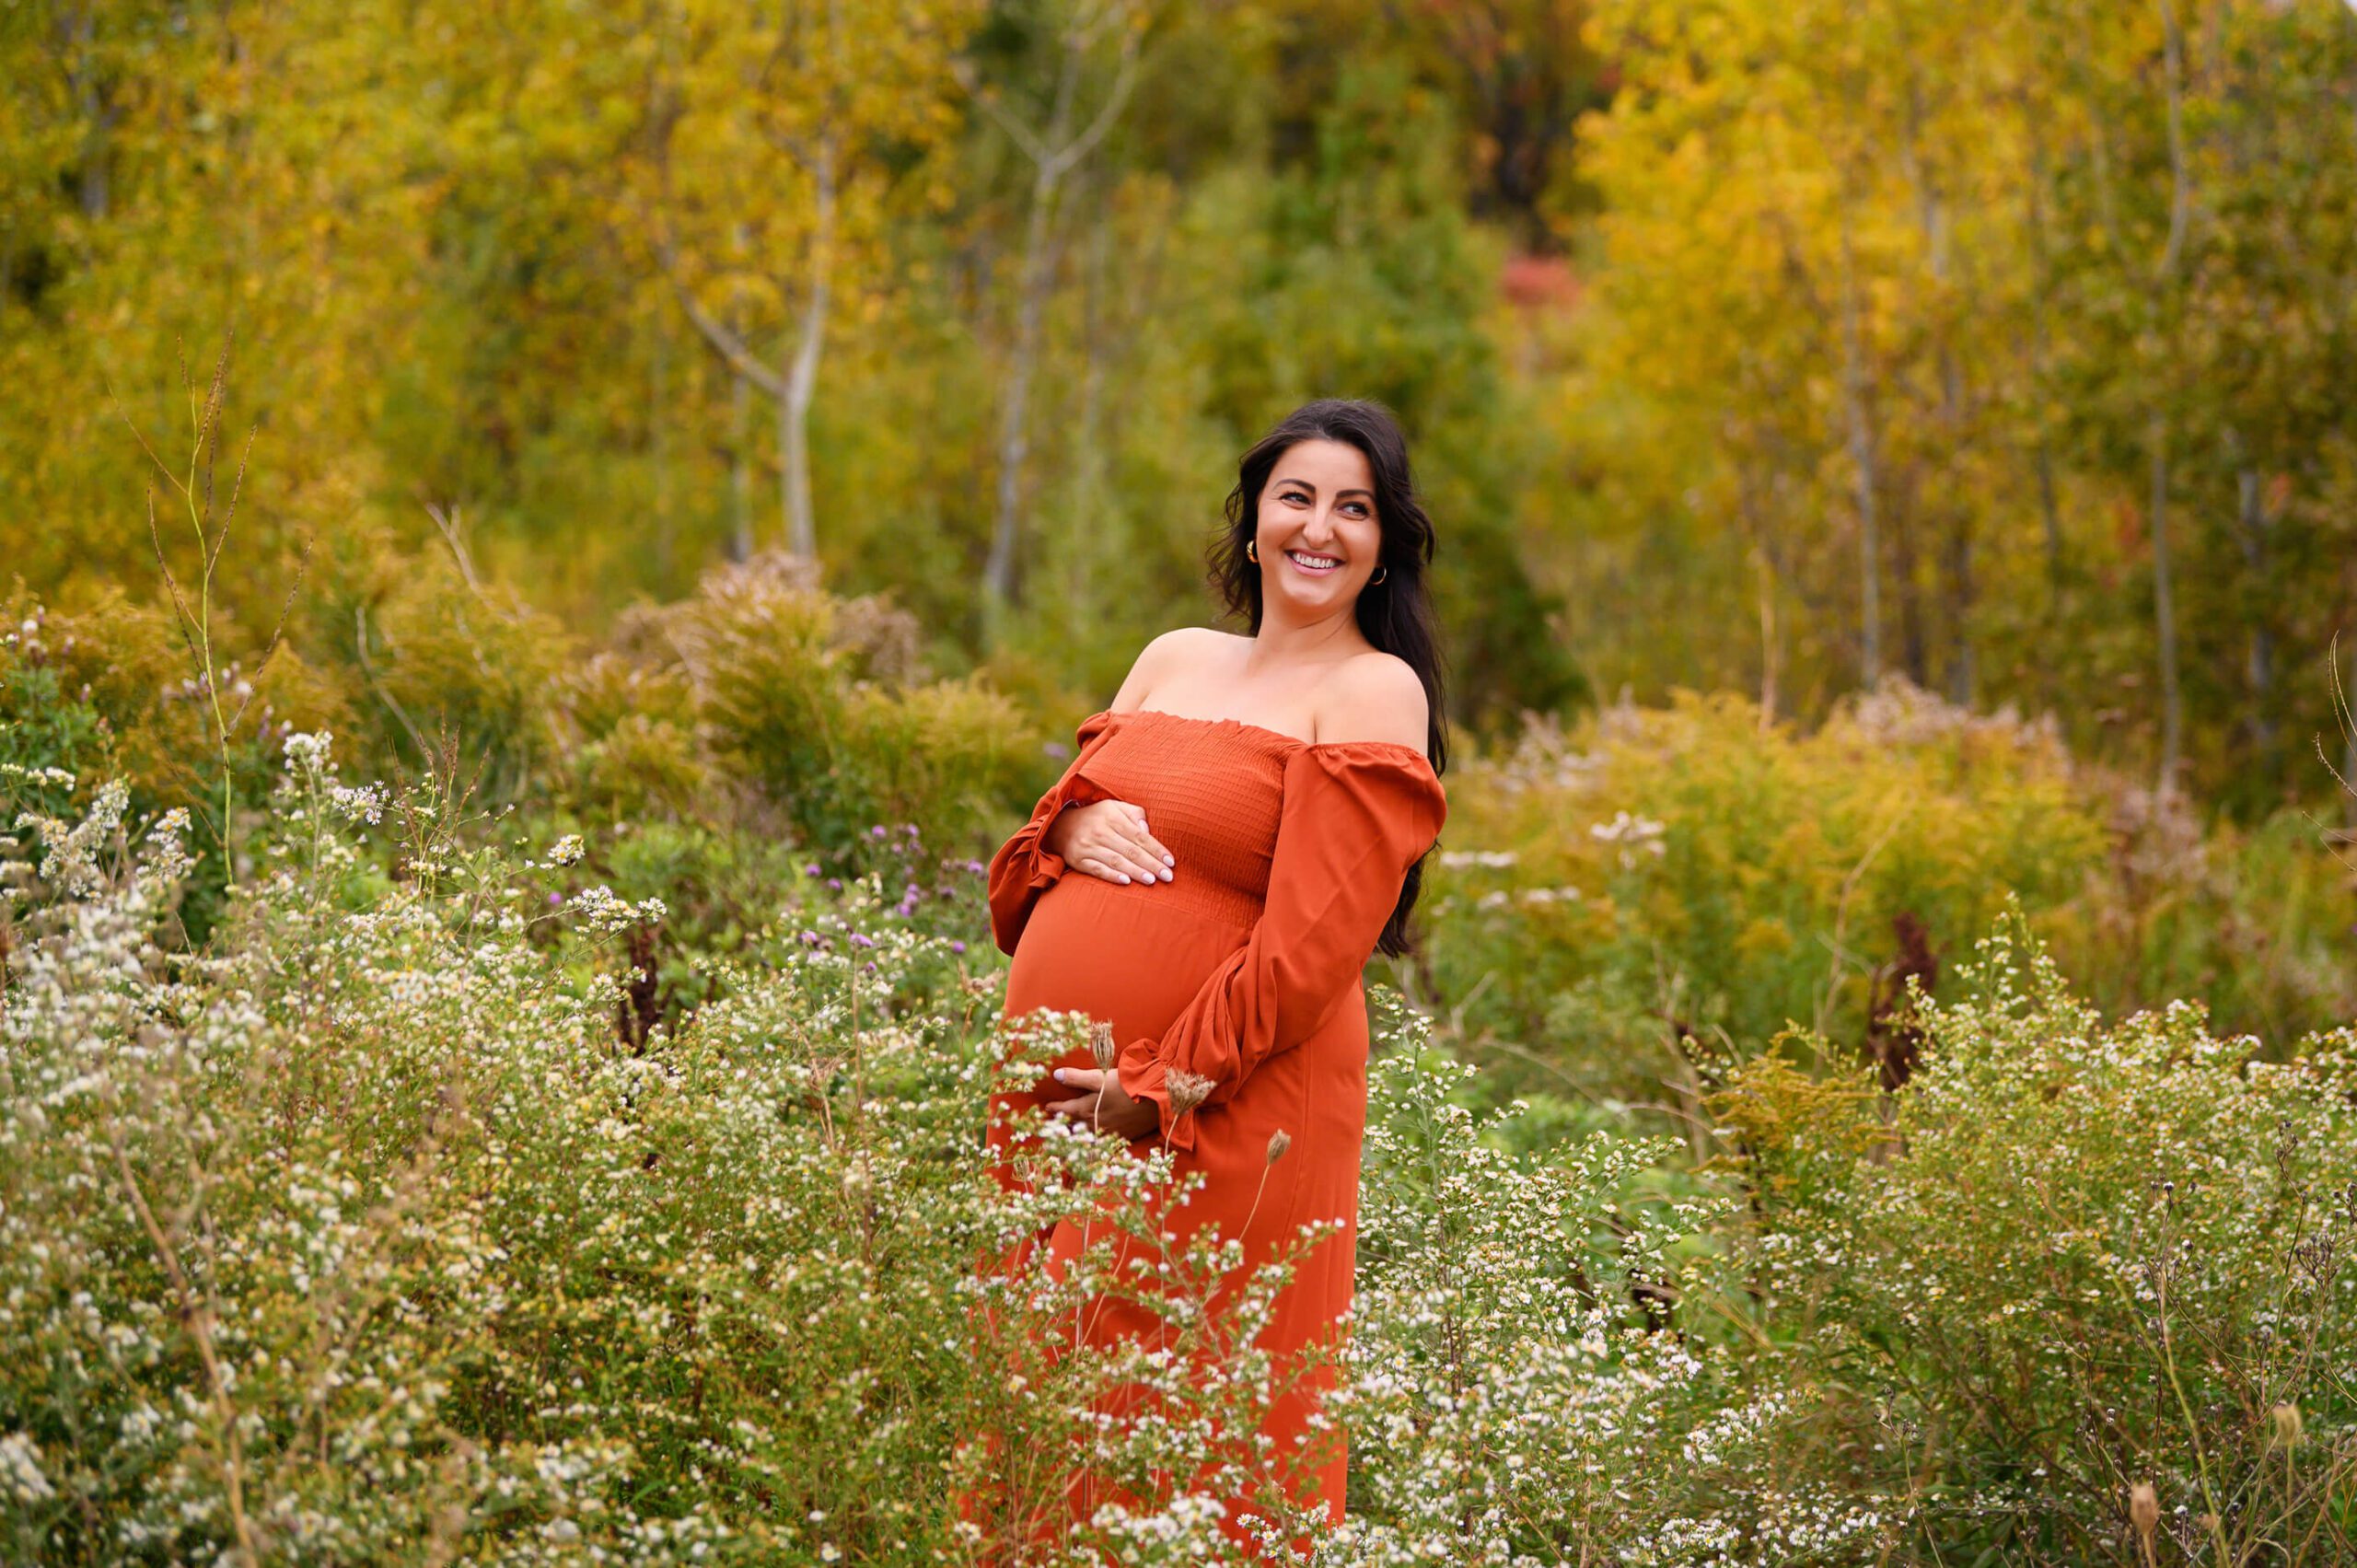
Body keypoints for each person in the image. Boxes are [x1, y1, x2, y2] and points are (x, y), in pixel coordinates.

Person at [980, 397, 1451, 1554]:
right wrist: (1068, 836)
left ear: (1383, 543)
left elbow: (1309, 952)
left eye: (1354, 508)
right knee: (1044, 1411)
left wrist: (1157, 1084)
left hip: (1222, 1110)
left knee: (1192, 1426)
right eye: (1296, 497)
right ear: (1252, 524)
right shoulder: (1173, 656)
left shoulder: (1374, 689)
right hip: (1055, 1116)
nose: (1319, 528)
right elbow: (1025, 865)